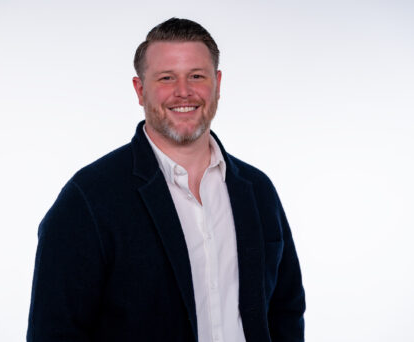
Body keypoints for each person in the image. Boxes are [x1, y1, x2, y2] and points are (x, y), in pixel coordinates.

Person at [27, 18, 305, 342]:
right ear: (140, 89)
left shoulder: (258, 191)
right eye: (167, 78)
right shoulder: (88, 200)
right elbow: (55, 332)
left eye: (196, 76)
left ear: (217, 83)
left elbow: (286, 309)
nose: (183, 91)